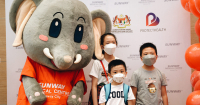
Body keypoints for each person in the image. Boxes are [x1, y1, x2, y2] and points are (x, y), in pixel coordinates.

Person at [89, 33, 119, 105]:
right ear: (102, 46)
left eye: (113, 42)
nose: (111, 45)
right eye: (107, 43)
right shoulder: (97, 62)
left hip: (114, 95)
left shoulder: (119, 61)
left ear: (116, 44)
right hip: (100, 95)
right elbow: (94, 86)